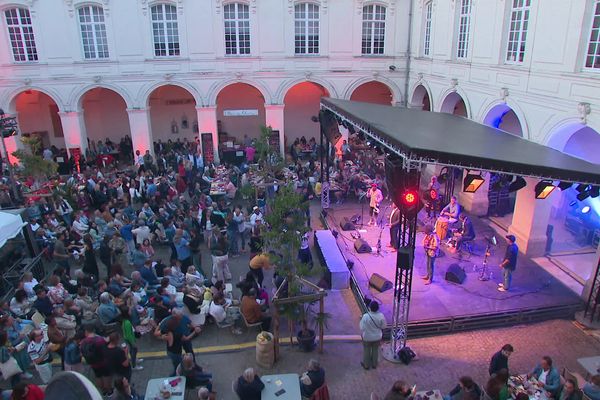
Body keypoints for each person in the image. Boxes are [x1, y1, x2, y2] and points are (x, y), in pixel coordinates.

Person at [80, 325, 112, 396]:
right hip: (103, 361)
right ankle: (109, 391)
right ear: (93, 331)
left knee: (98, 376)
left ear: (86, 332)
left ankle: (103, 391)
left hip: (93, 363)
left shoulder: (83, 342)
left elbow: (82, 352)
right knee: (106, 376)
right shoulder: (99, 340)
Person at [359, 301, 386, 370]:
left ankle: (366, 365)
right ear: (378, 308)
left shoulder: (365, 316)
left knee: (367, 350)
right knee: (375, 350)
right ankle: (374, 364)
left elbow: (361, 328)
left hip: (367, 337)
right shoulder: (381, 316)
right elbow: (383, 327)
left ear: (369, 308)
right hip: (377, 337)